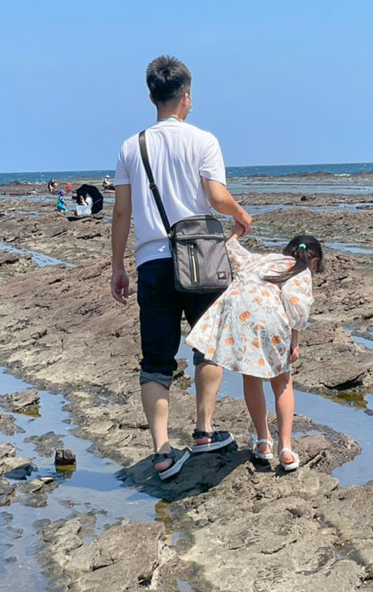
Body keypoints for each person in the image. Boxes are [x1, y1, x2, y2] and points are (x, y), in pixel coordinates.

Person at [111, 54, 253, 481]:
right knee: (207, 345)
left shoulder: (130, 147)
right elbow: (215, 195)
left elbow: (121, 213)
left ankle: (161, 452)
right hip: (201, 257)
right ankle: (205, 431)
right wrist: (241, 215)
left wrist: (118, 264)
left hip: (153, 261)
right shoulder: (203, 140)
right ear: (186, 96)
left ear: (151, 95)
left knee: (155, 360)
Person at [187, 234, 322, 472]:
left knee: (251, 377)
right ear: (314, 260)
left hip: (240, 316)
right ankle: (286, 448)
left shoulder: (262, 259)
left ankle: (263, 442)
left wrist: (238, 232)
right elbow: (295, 304)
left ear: (286, 249)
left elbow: (233, 252)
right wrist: (295, 340)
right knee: (282, 383)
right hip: (270, 318)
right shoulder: (300, 271)